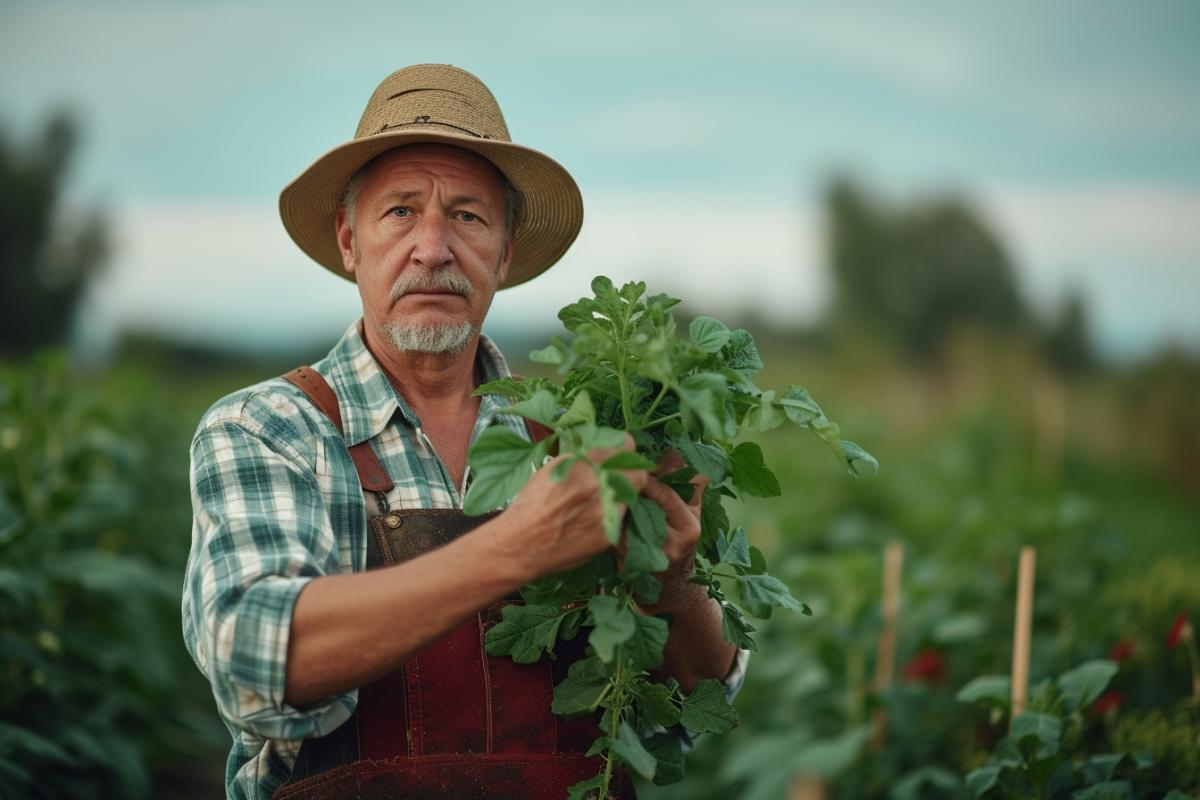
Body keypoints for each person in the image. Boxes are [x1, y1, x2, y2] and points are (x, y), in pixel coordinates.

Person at [182, 63, 745, 800]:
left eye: (469, 217)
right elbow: (252, 658)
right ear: (350, 242)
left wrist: (670, 586)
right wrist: (517, 546)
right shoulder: (268, 429)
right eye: (401, 213)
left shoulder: (581, 437)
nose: (434, 248)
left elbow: (690, 710)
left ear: (504, 254)